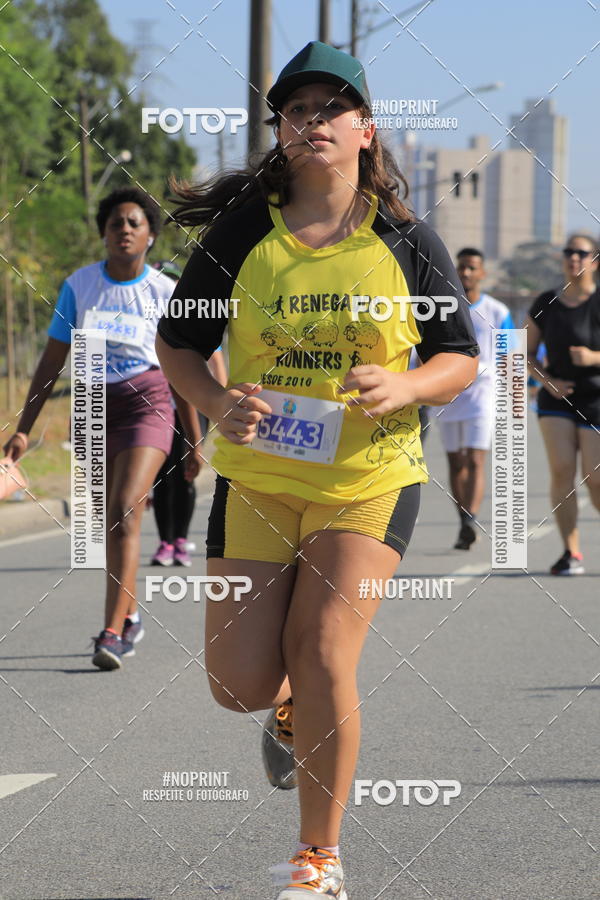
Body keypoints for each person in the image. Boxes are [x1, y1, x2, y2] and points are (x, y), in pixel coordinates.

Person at [156, 41, 478, 899]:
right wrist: (218, 403)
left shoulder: (407, 239)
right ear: (282, 131)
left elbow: (460, 358)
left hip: (370, 477)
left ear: (366, 131)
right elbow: (179, 344)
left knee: (329, 648)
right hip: (259, 479)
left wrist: (406, 382)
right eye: (297, 110)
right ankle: (289, 705)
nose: (314, 122)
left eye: (332, 109)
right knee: (239, 685)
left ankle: (318, 858)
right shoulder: (243, 230)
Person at [3, 187, 203, 670]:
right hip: (92, 405)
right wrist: (22, 429)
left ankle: (110, 632)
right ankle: (129, 616)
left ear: (151, 235)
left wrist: (193, 440)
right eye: (116, 223)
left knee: (124, 509)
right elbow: (52, 362)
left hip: (148, 403)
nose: (125, 230)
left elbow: (180, 369)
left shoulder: (163, 292)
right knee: (106, 527)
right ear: (104, 233)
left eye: (135, 223)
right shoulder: (79, 286)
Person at [526, 233, 600, 575]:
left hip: (596, 399)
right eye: (569, 252)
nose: (574, 258)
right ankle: (571, 552)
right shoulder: (545, 302)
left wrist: (593, 357)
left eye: (581, 253)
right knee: (561, 471)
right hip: (556, 400)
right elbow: (521, 352)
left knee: (594, 480)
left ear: (594, 261)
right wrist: (548, 382)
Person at [149, 261, 228, 567]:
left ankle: (180, 540)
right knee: (161, 475)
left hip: (193, 404)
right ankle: (165, 542)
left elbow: (216, 363)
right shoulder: (152, 318)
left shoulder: (194, 318)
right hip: (158, 405)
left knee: (184, 473)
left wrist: (220, 403)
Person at [436, 248, 514, 549]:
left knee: (475, 459)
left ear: (482, 273)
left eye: (472, 268)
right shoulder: (443, 307)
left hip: (483, 394)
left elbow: (510, 356)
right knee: (456, 463)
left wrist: (514, 395)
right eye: (462, 268)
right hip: (448, 395)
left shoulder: (497, 311)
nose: (466, 273)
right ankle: (463, 521)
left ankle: (471, 519)